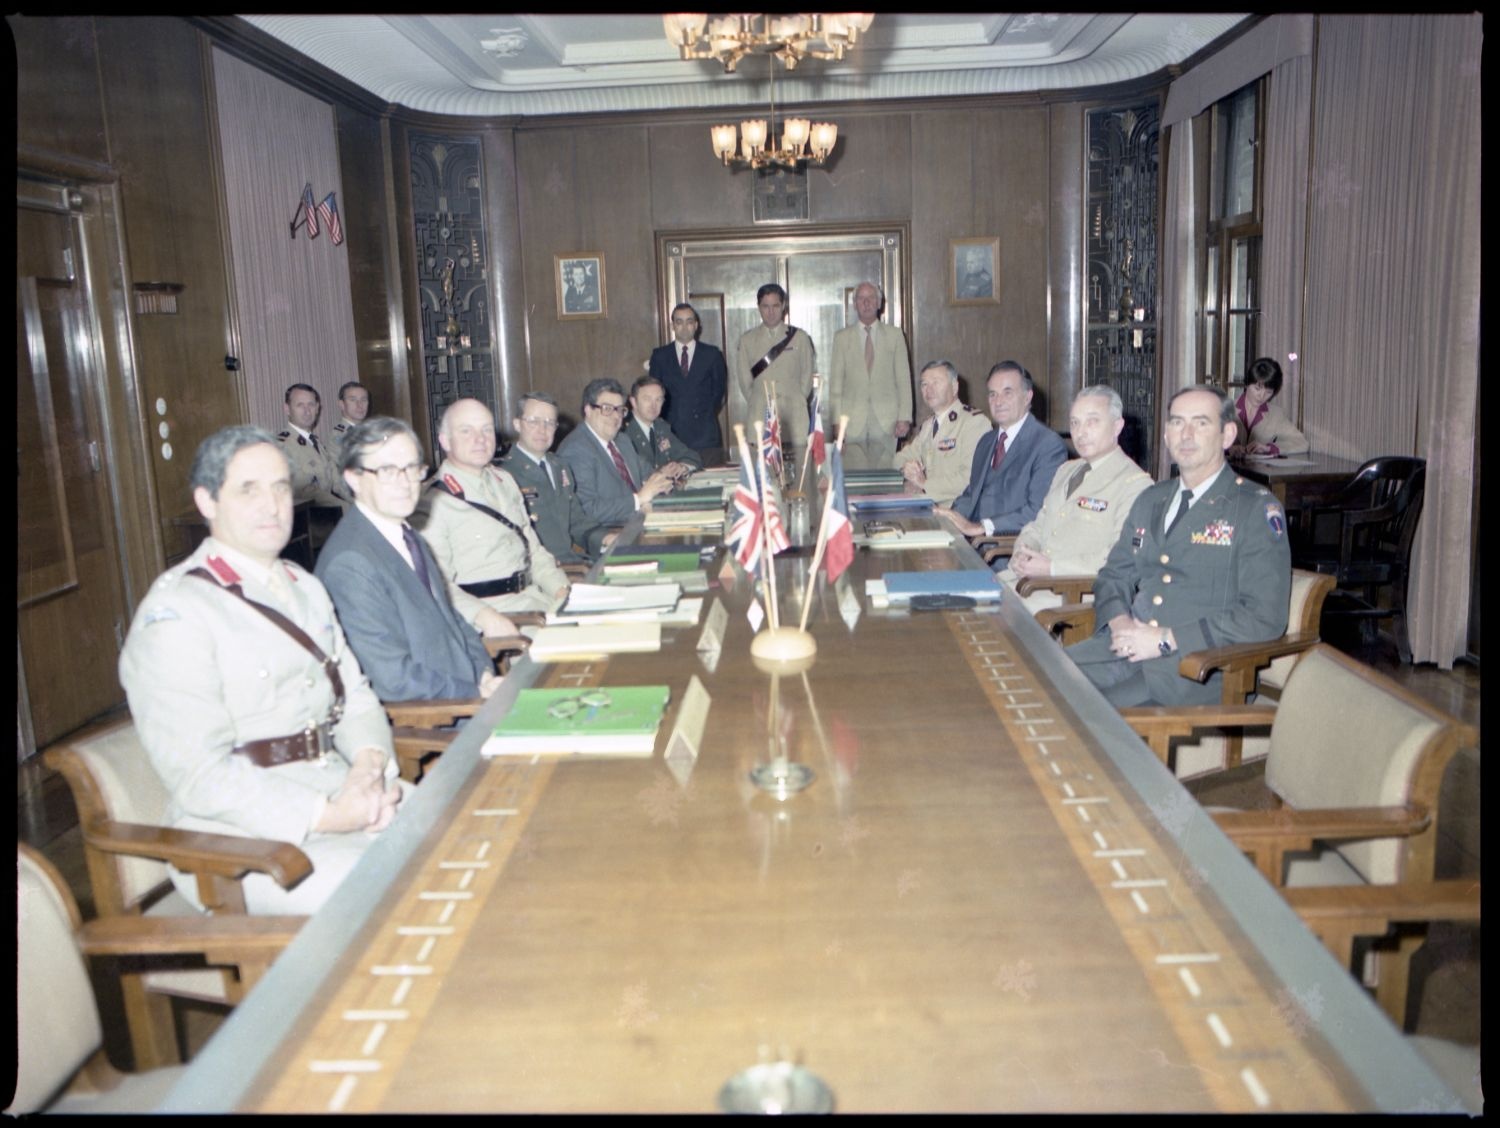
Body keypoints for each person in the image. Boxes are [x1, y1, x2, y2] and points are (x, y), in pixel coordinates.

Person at [117, 426, 401, 915]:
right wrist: (329, 816)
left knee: (471, 833)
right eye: (248, 490)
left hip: (338, 786)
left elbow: (354, 696)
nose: (271, 506)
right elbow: (201, 776)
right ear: (206, 501)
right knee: (407, 892)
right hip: (241, 844)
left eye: (280, 488)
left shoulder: (303, 586)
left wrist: (368, 770)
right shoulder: (179, 613)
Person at [1066, 384, 1291, 707]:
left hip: (1193, 669)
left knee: (1079, 718)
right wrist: (1120, 624)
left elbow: (1264, 615)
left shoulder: (1254, 508)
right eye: (1176, 423)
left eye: (1200, 423)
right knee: (1033, 678)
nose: (1186, 434)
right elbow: (1112, 576)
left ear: (1228, 435)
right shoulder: (1151, 499)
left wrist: (1166, 639)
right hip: (1122, 650)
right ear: (1166, 436)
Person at [316, 416, 501, 704]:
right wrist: (474, 693)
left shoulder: (407, 534)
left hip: (469, 692)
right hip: (439, 716)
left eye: (412, 468)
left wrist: (484, 674)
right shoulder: (350, 563)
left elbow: (451, 620)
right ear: (354, 477)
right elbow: (391, 678)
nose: (405, 483)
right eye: (388, 470)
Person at [414, 398, 572, 624]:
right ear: (445, 441)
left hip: (536, 600)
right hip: (494, 616)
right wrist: (485, 618)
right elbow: (436, 584)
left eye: (486, 430)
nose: (480, 439)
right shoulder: (432, 502)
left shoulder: (504, 481)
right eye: (466, 431)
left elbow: (534, 551)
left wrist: (560, 590)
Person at [999, 385, 1152, 612]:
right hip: (1026, 582)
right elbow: (1038, 525)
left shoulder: (1135, 485)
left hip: (1072, 597)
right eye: (1075, 423)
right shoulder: (1066, 471)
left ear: (1117, 426)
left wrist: (1052, 568)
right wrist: (1023, 551)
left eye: (1092, 422)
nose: (1081, 432)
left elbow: (1122, 559)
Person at [935, 361, 1068, 543]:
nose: (998, 402)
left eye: (1008, 393)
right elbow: (972, 495)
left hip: (1008, 551)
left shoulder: (1047, 445)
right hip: (972, 545)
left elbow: (1038, 511)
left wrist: (982, 527)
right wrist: (947, 518)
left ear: (1027, 397)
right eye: (993, 394)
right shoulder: (986, 441)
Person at [500, 392, 614, 565]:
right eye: (533, 421)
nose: (542, 430)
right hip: (541, 572)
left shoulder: (559, 466)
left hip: (572, 563)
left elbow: (576, 521)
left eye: (549, 423)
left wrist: (605, 539)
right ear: (517, 424)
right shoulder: (505, 475)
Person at [557, 377, 677, 526]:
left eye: (620, 409)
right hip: (611, 532)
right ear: (588, 410)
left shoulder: (622, 440)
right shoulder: (576, 450)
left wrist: (661, 481)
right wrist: (638, 499)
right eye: (607, 409)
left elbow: (649, 473)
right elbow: (587, 510)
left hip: (643, 519)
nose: (616, 416)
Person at [827, 281, 913, 470]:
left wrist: (904, 417)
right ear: (855, 304)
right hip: (851, 423)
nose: (866, 303)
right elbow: (835, 386)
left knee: (885, 476)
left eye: (871, 298)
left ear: (879, 303)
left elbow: (904, 380)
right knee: (853, 474)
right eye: (861, 298)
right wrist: (836, 422)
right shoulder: (841, 338)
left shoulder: (895, 335)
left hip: (886, 422)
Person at [729, 283, 815, 460]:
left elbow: (806, 377)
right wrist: (760, 400)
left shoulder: (800, 337)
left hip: (795, 416)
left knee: (800, 468)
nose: (771, 311)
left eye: (775, 305)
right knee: (762, 473)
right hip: (760, 414)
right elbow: (745, 382)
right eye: (765, 306)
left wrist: (796, 398)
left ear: (783, 306)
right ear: (758, 307)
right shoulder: (747, 340)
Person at [893, 360, 991, 507]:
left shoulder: (974, 423)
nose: (929, 390)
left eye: (936, 382)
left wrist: (924, 483)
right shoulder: (928, 425)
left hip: (959, 513)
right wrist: (907, 467)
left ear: (954, 387)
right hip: (928, 508)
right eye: (924, 384)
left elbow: (971, 478)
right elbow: (898, 459)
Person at [649, 302, 727, 454]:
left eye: (689, 321)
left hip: (705, 435)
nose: (684, 327)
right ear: (672, 326)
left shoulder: (712, 354)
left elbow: (719, 393)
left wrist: (703, 413)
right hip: (671, 434)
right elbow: (654, 393)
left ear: (696, 325)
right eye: (679, 322)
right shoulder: (660, 356)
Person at [277, 383, 347, 508]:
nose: (307, 411)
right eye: (300, 405)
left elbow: (337, 481)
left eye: (311, 405)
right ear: (287, 409)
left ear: (317, 408)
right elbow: (306, 491)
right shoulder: (283, 445)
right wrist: (345, 509)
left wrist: (361, 503)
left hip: (329, 515)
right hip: (309, 520)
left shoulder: (315, 442)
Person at [624, 374, 701, 476]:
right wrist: (661, 473)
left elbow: (691, 456)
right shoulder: (623, 431)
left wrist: (682, 467)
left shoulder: (661, 427)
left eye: (658, 399)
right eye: (647, 399)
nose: (653, 405)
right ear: (633, 401)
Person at [1234, 357, 1309, 457]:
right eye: (1257, 389)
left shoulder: (1276, 414)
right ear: (1247, 384)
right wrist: (1226, 448)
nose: (1261, 396)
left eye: (1268, 392)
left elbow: (1302, 443)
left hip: (1256, 471)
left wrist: (1268, 448)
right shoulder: (1223, 408)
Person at [329, 380, 371, 463]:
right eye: (353, 400)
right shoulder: (339, 435)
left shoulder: (370, 430)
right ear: (342, 404)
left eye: (363, 400)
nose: (359, 405)